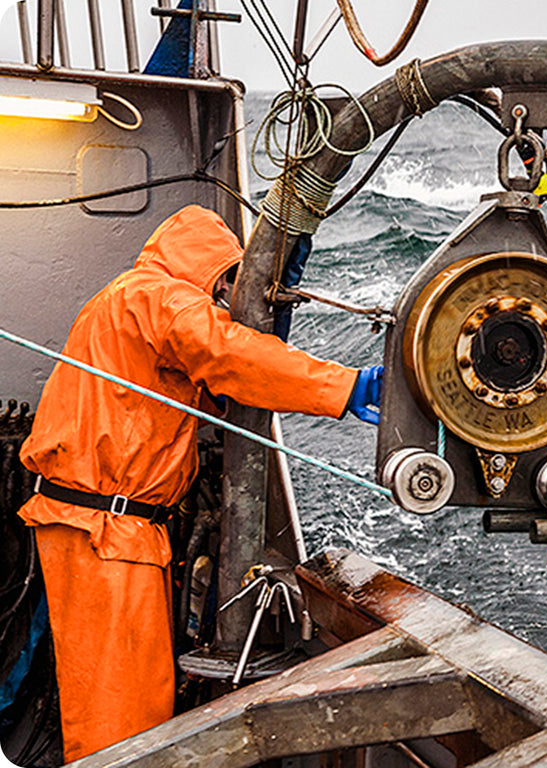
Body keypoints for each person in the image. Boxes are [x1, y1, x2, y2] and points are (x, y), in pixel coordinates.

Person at [17, 205, 382, 762]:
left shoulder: (130, 299)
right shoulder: (160, 299)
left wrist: (274, 321)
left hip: (104, 529)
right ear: (209, 268)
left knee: (118, 698)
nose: (234, 295)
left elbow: (222, 391)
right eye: (234, 281)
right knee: (120, 718)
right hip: (105, 532)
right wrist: (346, 386)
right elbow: (227, 355)